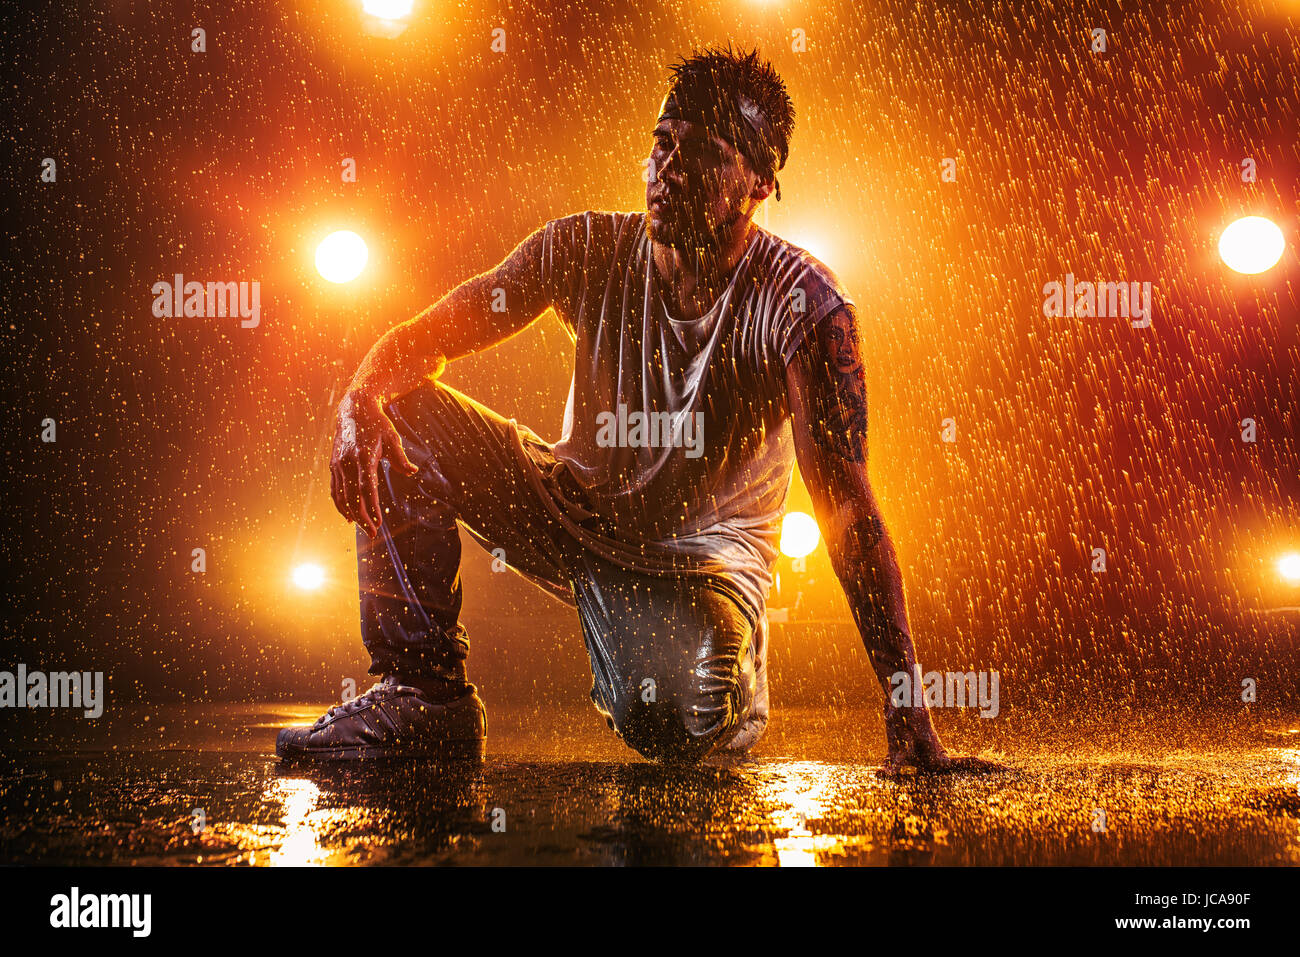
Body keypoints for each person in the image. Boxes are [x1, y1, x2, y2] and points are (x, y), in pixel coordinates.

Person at [276, 46, 1000, 771]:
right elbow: (425, 341)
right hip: (574, 510)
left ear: (759, 184)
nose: (670, 168)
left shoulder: (804, 309)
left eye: (706, 153)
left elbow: (851, 516)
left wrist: (906, 703)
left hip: (697, 569)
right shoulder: (581, 246)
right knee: (393, 410)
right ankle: (423, 698)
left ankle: (730, 689)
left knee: (663, 717)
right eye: (663, 142)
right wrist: (359, 395)